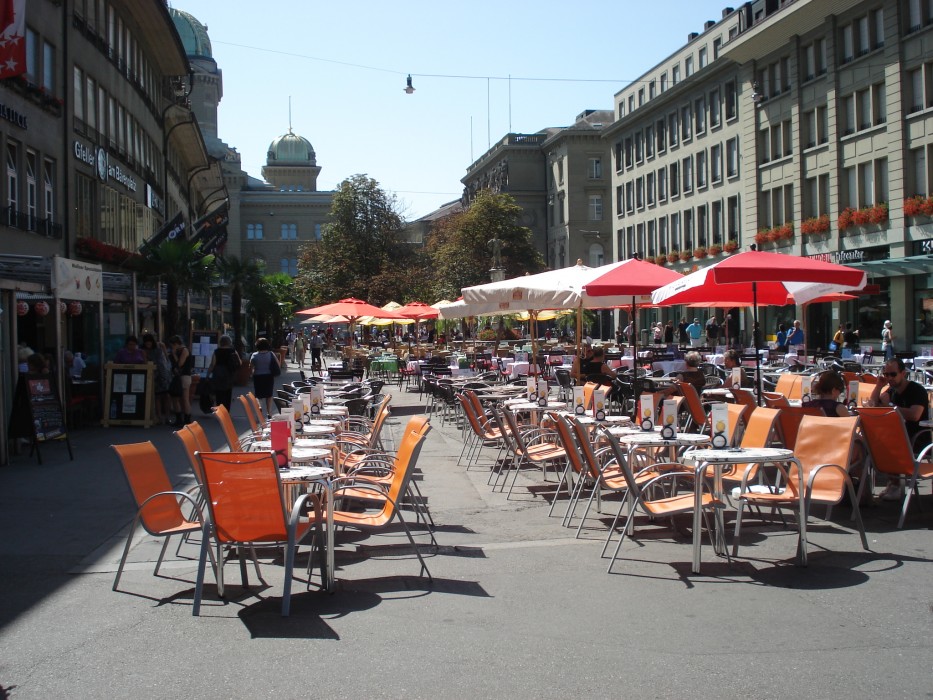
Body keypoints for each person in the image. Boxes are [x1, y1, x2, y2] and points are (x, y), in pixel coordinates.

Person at [868, 358, 931, 500]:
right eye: (886, 374)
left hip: (917, 437)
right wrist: (879, 385)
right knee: (872, 441)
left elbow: (915, 415)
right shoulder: (892, 389)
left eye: (892, 374)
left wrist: (890, 406)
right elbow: (872, 405)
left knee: (889, 442)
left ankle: (896, 485)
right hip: (898, 434)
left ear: (903, 373)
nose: (889, 378)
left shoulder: (917, 390)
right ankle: (891, 483)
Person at [142, 334, 172, 425]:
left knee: (165, 397)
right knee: (158, 397)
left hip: (163, 375)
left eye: (150, 342)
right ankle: (160, 417)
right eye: (146, 342)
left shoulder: (158, 350)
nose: (148, 344)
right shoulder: (144, 351)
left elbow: (163, 361)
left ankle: (166, 416)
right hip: (155, 376)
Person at [208, 335, 242, 412]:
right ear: (229, 342)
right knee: (228, 393)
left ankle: (219, 411)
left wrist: (208, 374)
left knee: (219, 394)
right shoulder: (233, 351)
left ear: (221, 342)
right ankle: (227, 412)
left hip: (218, 373)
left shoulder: (216, 351)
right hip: (229, 374)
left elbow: (212, 364)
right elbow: (239, 362)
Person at [250, 337, 279, 418]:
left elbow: (251, 366)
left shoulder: (254, 355)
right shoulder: (271, 354)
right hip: (269, 376)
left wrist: (252, 373)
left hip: (257, 376)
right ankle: (269, 412)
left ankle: (259, 406)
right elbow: (277, 363)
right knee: (269, 394)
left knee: (258, 394)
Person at [168, 335, 193, 426]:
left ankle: (187, 419)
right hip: (177, 377)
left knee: (185, 398)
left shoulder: (184, 350)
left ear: (176, 344)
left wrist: (174, 354)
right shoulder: (177, 351)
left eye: (173, 345)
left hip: (184, 376)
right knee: (175, 398)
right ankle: (179, 419)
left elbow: (180, 364)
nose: (172, 348)